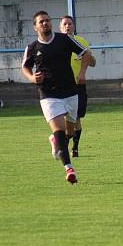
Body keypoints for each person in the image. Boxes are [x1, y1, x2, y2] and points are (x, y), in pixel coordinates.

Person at [21, 11, 91, 184]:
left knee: (70, 131)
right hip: (48, 94)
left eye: (47, 21)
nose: (45, 23)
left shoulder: (64, 39)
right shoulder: (32, 48)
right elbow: (25, 67)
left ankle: (56, 142)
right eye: (41, 22)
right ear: (35, 27)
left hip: (70, 91)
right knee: (59, 132)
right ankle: (69, 168)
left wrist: (82, 73)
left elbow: (86, 53)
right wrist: (32, 78)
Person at [59, 15, 96, 157]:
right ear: (60, 27)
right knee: (64, 118)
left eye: (70, 24)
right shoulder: (57, 44)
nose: (67, 26)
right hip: (62, 86)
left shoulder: (81, 42)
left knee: (77, 118)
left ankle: (74, 148)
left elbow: (93, 63)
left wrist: (89, 57)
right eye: (65, 24)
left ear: (73, 26)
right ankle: (62, 145)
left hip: (78, 85)